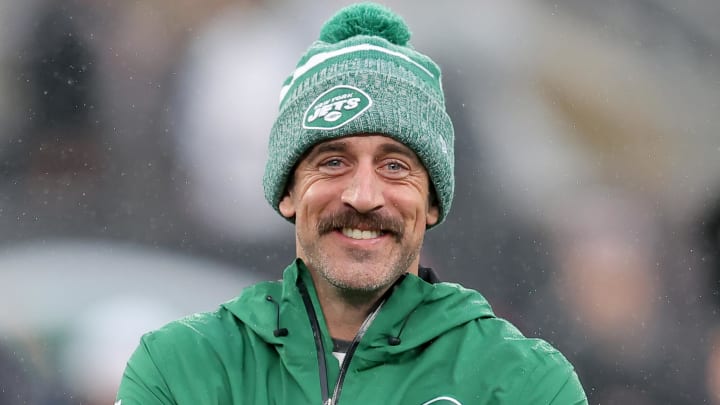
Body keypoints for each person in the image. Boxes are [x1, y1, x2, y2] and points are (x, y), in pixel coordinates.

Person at [117, 3, 587, 404]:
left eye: (395, 166)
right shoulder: (180, 370)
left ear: (433, 204)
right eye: (334, 161)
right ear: (287, 191)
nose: (363, 196)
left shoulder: (523, 383)